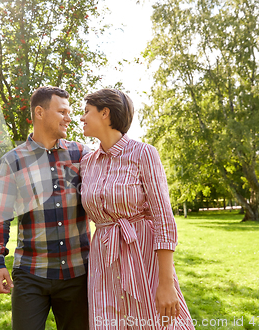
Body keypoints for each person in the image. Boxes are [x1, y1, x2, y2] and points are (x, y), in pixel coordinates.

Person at [79, 89, 195, 329]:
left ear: (105, 113)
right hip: (104, 262)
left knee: (154, 322)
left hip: (143, 257)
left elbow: (163, 220)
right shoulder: (87, 163)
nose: (82, 118)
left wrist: (166, 283)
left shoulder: (144, 154)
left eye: (86, 111)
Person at [0, 86, 91, 330]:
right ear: (40, 112)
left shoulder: (82, 155)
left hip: (78, 273)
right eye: (62, 111)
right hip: (31, 274)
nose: (69, 117)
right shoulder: (13, 161)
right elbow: (0, 216)